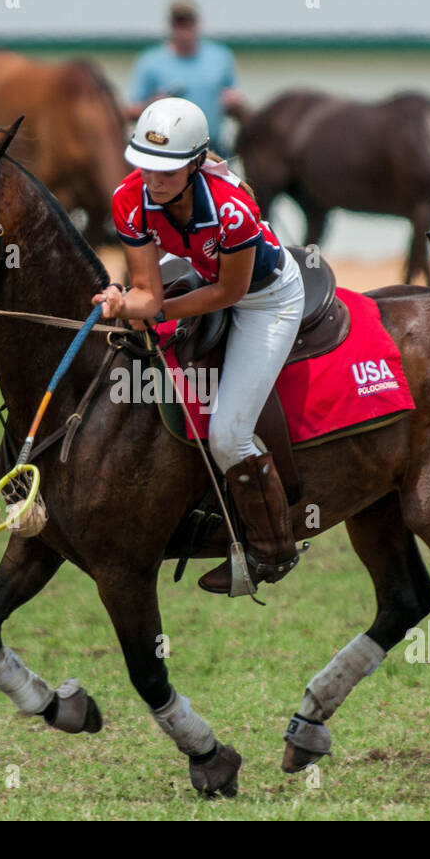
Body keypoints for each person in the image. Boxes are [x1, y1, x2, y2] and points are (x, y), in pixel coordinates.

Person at [93, 98, 305, 593]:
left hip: (263, 298)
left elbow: (229, 294)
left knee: (228, 437)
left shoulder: (232, 210)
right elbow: (146, 291)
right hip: (200, 277)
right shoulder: (129, 198)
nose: (153, 179)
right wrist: (122, 301)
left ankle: (271, 550)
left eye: (166, 170)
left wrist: (154, 310)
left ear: (194, 164)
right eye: (145, 166)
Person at [123, 0, 247, 158]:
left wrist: (234, 102)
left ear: (197, 24)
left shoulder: (220, 57)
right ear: (171, 26)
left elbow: (234, 98)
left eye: (188, 23)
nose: (184, 30)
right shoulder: (151, 61)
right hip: (167, 151)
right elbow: (131, 110)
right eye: (179, 23)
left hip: (213, 149)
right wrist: (152, 106)